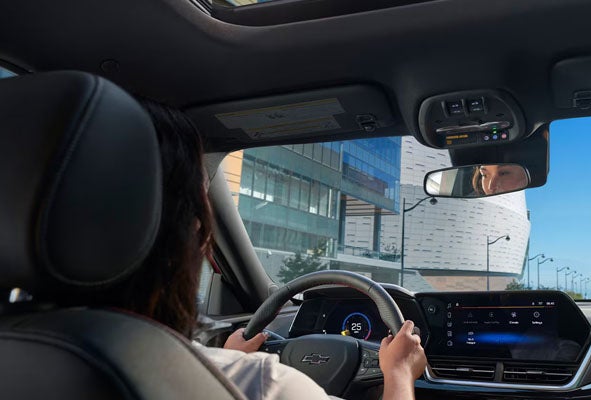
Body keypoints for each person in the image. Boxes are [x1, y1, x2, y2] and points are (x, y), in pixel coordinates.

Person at [86, 100, 427, 400]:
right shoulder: (259, 383)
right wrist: (399, 373)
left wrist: (228, 357)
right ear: (192, 232)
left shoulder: (39, 348)